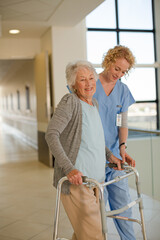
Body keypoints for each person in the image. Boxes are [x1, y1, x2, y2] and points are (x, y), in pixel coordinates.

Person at [45, 60, 122, 240]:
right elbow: (51, 134)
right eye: (82, 80)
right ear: (73, 84)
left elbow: (93, 139)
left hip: (96, 183)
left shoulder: (93, 103)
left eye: (91, 78)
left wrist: (110, 155)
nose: (88, 83)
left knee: (86, 234)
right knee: (95, 235)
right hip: (78, 183)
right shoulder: (71, 101)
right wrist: (69, 168)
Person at [94, 45, 136, 240]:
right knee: (94, 211)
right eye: (116, 68)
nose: (119, 74)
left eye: (124, 71)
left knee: (123, 208)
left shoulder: (122, 90)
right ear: (108, 62)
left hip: (114, 157)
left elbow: (122, 122)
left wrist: (122, 148)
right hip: (93, 156)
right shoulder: (90, 84)